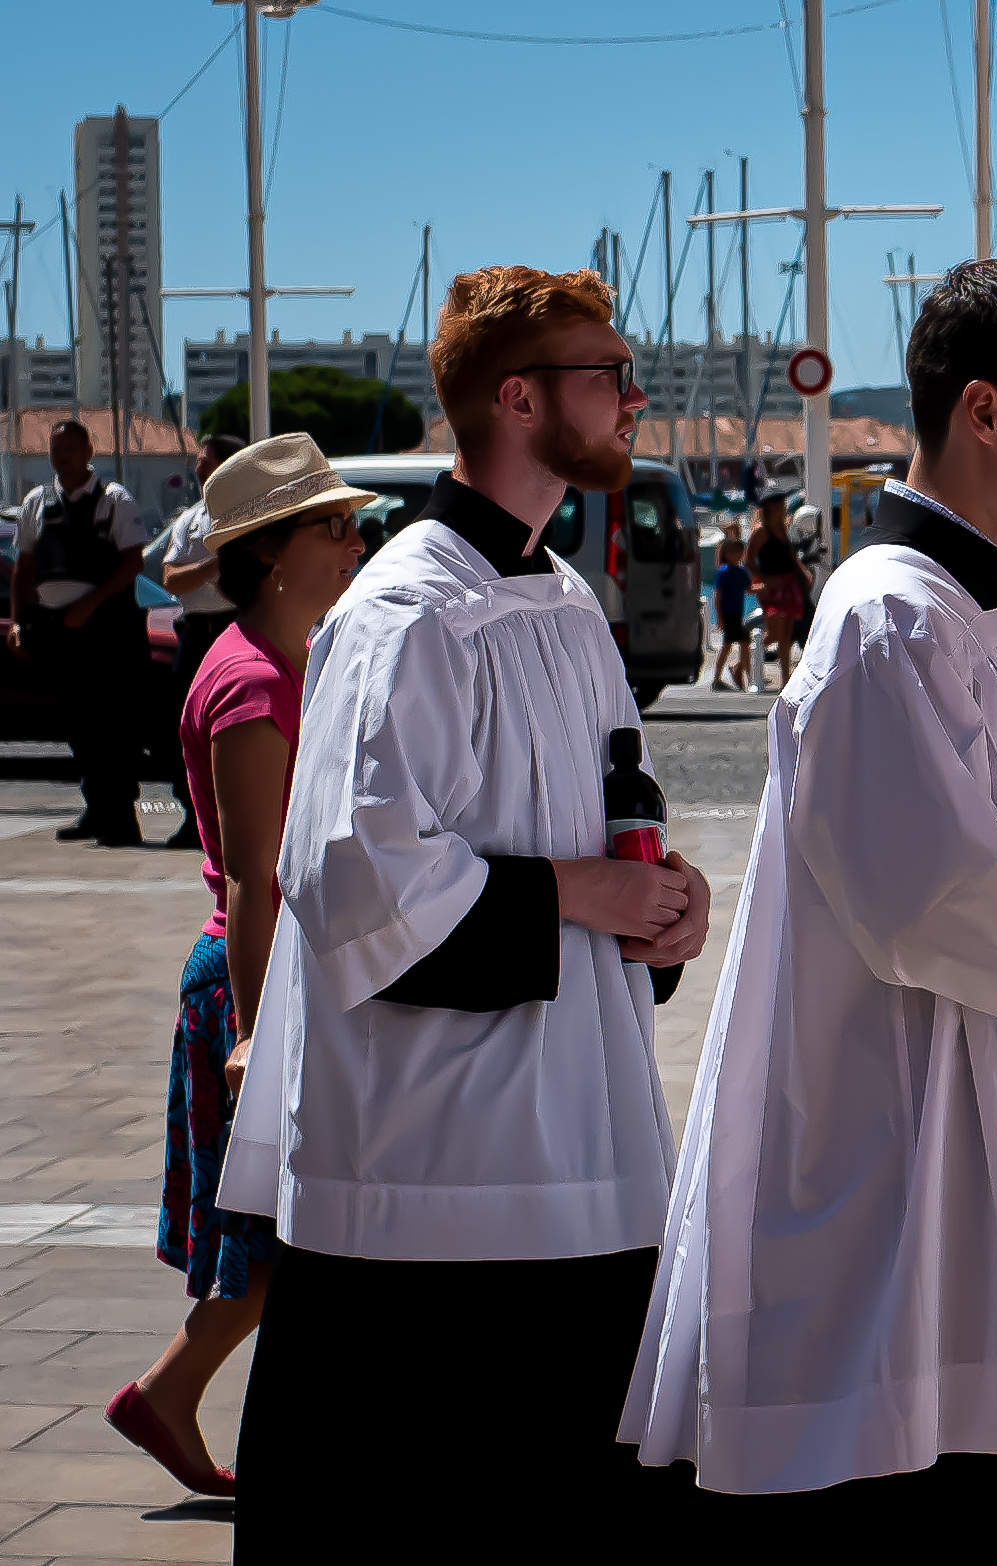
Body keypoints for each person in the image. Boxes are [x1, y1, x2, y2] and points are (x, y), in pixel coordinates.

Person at [620, 260, 997, 1545]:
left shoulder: (957, 607)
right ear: (984, 415)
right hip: (896, 1142)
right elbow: (935, 908)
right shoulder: (891, 617)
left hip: (959, 1116)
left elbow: (968, 848)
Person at [219, 266, 711, 1560]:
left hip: (582, 1150)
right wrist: (587, 892)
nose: (632, 396)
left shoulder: (561, 599)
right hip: (437, 1191)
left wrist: (658, 901)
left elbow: (612, 811)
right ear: (517, 396)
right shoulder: (403, 613)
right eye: (605, 373)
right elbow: (352, 878)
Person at [107, 434, 369, 1499]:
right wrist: (258, 1033)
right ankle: (175, 1398)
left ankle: (167, 1395)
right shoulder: (252, 686)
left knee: (274, 1235)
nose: (356, 544)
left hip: (279, 976)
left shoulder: (292, 660)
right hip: (251, 981)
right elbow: (257, 881)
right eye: (333, 528)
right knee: (279, 1232)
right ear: (268, 553)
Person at [9, 419, 152, 846]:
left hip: (108, 630)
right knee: (78, 726)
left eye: (71, 447)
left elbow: (132, 563)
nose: (63, 456)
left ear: (90, 450)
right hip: (60, 632)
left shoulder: (114, 500)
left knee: (114, 726)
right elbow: (24, 568)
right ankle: (97, 809)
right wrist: (19, 620)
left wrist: (90, 604)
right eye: (56, 449)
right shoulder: (38, 501)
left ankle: (121, 818)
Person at [157, 433, 252, 853]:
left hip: (236, 629)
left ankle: (238, 817)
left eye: (207, 459)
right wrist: (216, 563)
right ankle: (192, 816)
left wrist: (204, 572)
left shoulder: (250, 516)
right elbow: (172, 579)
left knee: (238, 728)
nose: (199, 466)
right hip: (195, 634)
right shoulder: (191, 520)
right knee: (184, 728)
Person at [746, 489, 809, 686]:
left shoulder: (782, 528)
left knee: (786, 634)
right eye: (776, 502)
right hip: (772, 585)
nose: (780, 505)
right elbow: (748, 560)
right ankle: (741, 662)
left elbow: (789, 556)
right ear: (768, 506)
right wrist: (764, 578)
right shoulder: (761, 530)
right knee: (774, 632)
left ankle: (785, 678)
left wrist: (803, 572)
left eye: (781, 502)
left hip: (788, 582)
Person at [710, 518, 752, 691]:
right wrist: (719, 616)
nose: (736, 555)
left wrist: (765, 587)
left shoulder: (741, 572)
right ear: (726, 554)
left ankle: (740, 676)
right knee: (733, 644)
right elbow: (717, 595)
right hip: (728, 613)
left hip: (737, 612)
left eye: (738, 552)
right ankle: (726, 677)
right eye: (732, 552)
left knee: (740, 644)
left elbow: (748, 589)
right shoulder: (724, 572)